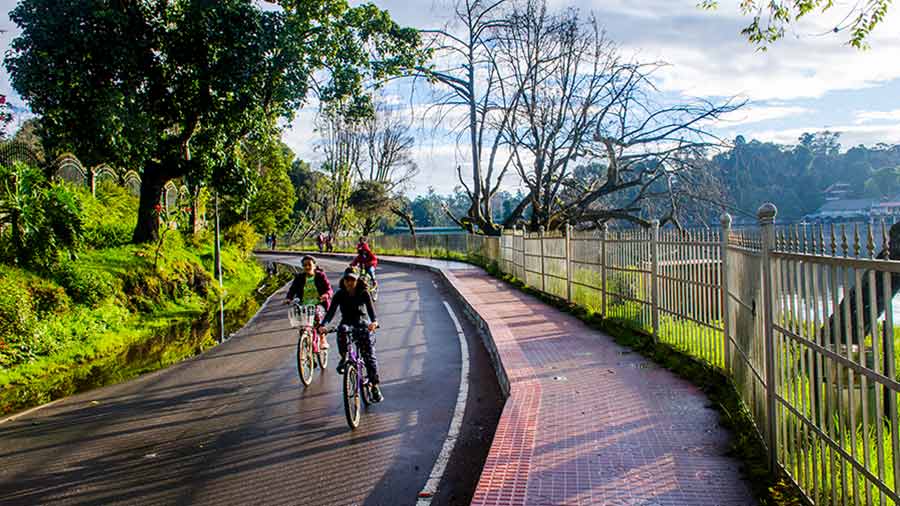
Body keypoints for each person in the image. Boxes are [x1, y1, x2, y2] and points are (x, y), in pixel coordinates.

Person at [318, 268, 382, 403]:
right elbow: (331, 312)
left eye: (352, 279)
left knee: (369, 356)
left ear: (357, 280)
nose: (349, 282)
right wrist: (323, 325)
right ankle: (344, 357)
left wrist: (374, 322)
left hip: (362, 324)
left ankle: (375, 386)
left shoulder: (364, 293)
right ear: (344, 280)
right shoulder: (340, 294)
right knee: (341, 330)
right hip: (347, 322)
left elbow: (371, 311)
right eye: (347, 279)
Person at [284, 255, 333, 349]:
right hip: (304, 304)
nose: (307, 267)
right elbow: (292, 289)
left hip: (318, 304)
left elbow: (329, 289)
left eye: (309, 265)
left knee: (317, 316)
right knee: (301, 323)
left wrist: (326, 295)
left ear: (314, 265)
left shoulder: (320, 276)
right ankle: (305, 340)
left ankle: (322, 338)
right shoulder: (299, 277)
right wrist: (288, 298)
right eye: (305, 265)